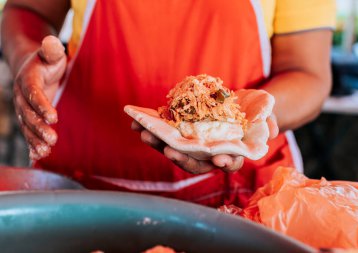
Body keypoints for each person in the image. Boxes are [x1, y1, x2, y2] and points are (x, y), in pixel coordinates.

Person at [1, 0, 335, 207]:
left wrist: (241, 126)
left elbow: (308, 74)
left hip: (237, 194)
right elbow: (27, 9)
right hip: (80, 187)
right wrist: (27, 57)